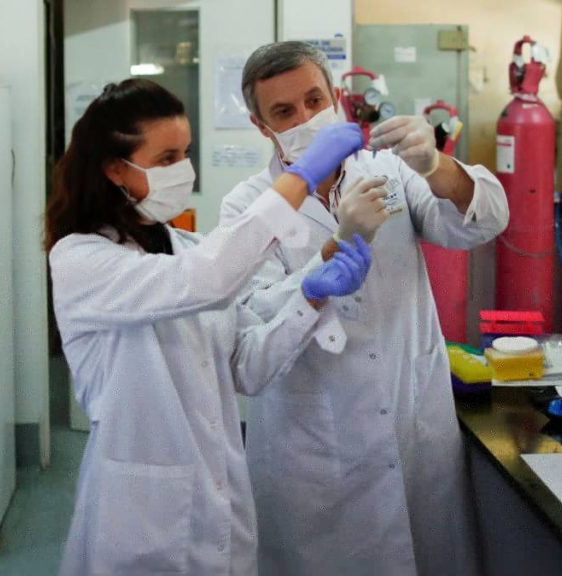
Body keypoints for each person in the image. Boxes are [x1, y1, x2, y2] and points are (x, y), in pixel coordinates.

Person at [46, 78, 371, 575]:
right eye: (166, 159)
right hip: (140, 516)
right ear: (115, 170)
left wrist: (309, 298)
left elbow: (249, 368)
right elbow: (207, 280)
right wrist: (301, 177)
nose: (183, 169)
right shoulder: (80, 260)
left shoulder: (190, 247)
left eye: (185, 153)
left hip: (222, 499)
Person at [220, 41, 510, 575]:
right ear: (262, 127)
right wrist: (332, 252)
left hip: (411, 423)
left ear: (335, 97)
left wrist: (438, 166)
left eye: (314, 100)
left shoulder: (389, 170)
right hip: (313, 450)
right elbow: (254, 319)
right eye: (284, 111)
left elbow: (484, 222)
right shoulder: (247, 206)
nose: (305, 118)